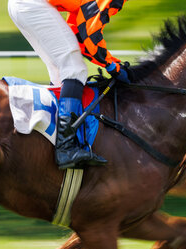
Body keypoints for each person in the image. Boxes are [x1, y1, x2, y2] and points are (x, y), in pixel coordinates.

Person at [8, 0, 132, 169]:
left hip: (21, 6)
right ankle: (65, 147)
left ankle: (54, 139)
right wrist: (112, 65)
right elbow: (90, 33)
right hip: (32, 5)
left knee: (60, 72)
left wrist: (110, 63)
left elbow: (78, 33)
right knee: (75, 69)